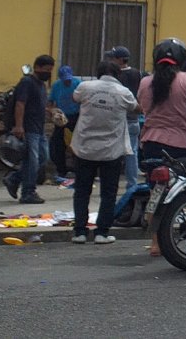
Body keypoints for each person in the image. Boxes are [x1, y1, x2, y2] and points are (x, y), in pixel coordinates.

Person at [137, 38, 186, 257]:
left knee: (156, 193)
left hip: (152, 145)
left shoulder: (145, 82)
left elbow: (143, 107)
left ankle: (155, 243)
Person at [70, 60, 136, 245]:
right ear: (118, 74)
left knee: (82, 191)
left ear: (98, 73)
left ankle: (80, 232)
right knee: (108, 193)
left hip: (85, 148)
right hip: (111, 151)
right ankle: (102, 233)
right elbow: (136, 108)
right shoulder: (124, 92)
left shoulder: (85, 87)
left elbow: (74, 98)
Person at [3, 54, 56, 204]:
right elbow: (20, 104)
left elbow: (38, 105)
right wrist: (19, 126)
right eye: (46, 70)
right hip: (28, 129)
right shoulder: (27, 82)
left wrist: (50, 111)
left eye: (51, 70)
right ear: (37, 67)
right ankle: (28, 192)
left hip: (39, 129)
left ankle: (14, 179)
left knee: (43, 158)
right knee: (31, 162)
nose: (48, 73)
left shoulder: (41, 86)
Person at [110, 46, 144, 191]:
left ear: (119, 59)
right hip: (134, 116)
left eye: (112, 58)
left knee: (114, 153)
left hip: (118, 118)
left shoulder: (115, 76)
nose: (110, 60)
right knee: (132, 153)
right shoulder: (138, 73)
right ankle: (132, 184)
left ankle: (112, 183)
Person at [48, 65, 81, 181]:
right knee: (58, 144)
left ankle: (78, 169)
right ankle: (61, 169)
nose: (67, 82)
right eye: (65, 80)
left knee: (76, 143)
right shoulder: (56, 86)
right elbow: (50, 101)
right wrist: (52, 112)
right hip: (62, 117)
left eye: (68, 79)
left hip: (76, 116)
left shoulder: (78, 83)